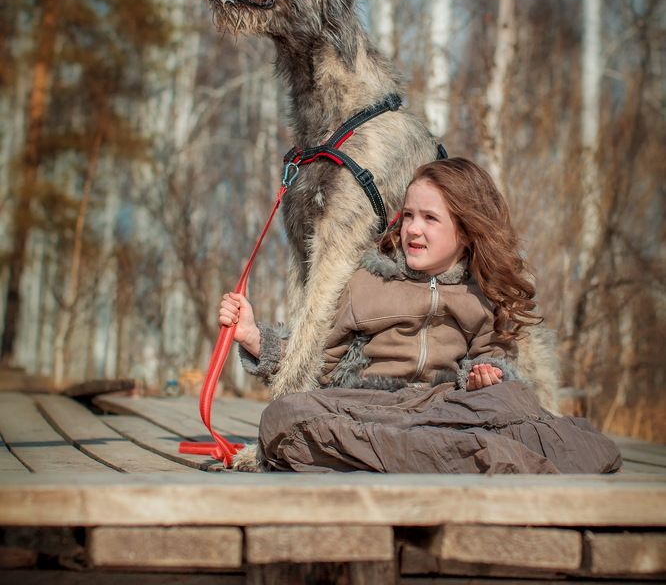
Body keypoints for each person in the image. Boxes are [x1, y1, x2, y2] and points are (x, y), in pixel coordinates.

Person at [218, 158, 621, 475]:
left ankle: (411, 455)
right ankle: (462, 457)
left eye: (430, 218)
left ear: (466, 230)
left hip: (445, 410)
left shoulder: (480, 293)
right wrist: (254, 337)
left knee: (520, 403)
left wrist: (485, 374)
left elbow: (493, 355)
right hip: (370, 408)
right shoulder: (366, 282)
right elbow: (318, 359)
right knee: (284, 417)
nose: (413, 229)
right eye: (408, 215)